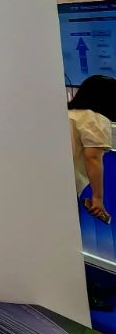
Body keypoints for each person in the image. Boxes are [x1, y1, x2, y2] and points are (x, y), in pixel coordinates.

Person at [69, 75, 116, 224]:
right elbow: (93, 158)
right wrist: (97, 198)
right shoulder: (95, 119)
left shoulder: (69, 115)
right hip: (66, 187)